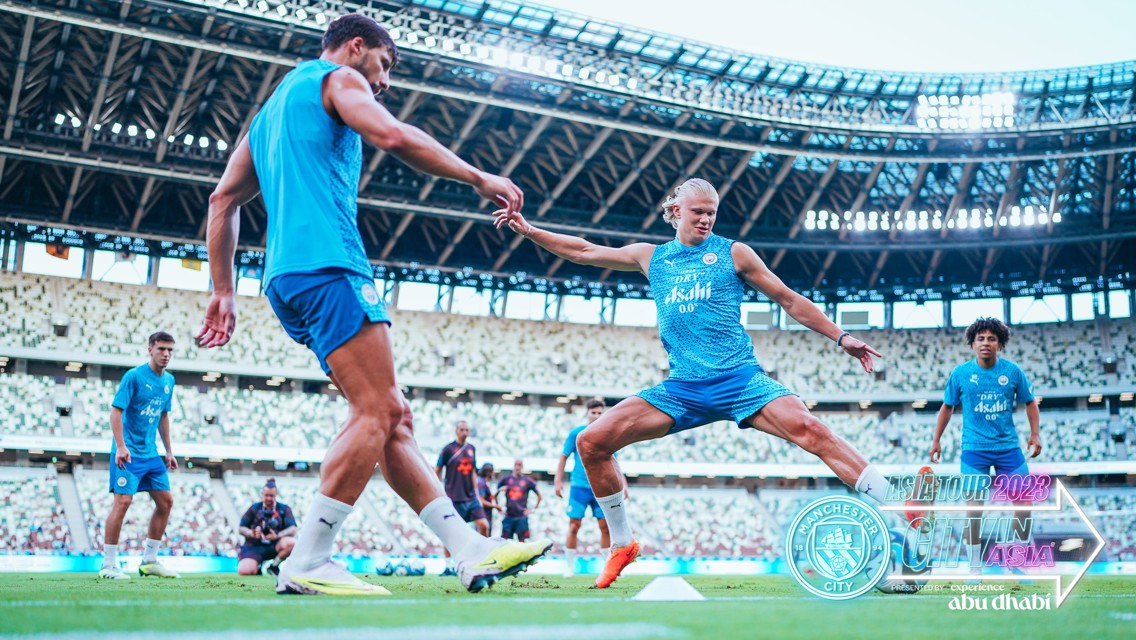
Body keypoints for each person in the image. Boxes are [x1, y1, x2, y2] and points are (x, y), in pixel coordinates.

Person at [199, 13, 550, 596]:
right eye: (384, 65)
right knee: (378, 413)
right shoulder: (337, 80)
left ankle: (469, 548)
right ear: (356, 47)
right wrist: (476, 176)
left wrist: (223, 288)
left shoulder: (267, 116)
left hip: (288, 278)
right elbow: (391, 134)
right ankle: (308, 557)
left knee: (393, 417)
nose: (383, 81)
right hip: (331, 265)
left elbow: (222, 199)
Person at [496, 178, 889, 588]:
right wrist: (530, 230)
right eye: (698, 211)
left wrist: (841, 337)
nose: (705, 219)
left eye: (711, 213)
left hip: (740, 379)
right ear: (676, 211)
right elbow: (583, 251)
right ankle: (622, 544)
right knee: (591, 442)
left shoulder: (732, 252)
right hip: (682, 388)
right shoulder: (652, 257)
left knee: (812, 429)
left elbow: (788, 298)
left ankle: (900, 503)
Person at [930, 317, 1041, 569]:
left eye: (992, 338)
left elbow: (1030, 402)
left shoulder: (1013, 372)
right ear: (972, 344)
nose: (986, 343)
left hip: (1008, 450)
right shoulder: (961, 374)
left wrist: (1035, 434)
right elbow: (947, 407)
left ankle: (1017, 564)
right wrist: (936, 440)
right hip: (974, 451)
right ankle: (974, 567)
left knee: (1024, 506)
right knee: (974, 510)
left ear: (1000, 344)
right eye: (980, 339)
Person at [98, 331, 180, 580]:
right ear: (150, 349)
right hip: (128, 453)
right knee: (122, 503)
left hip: (151, 453)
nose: (166, 354)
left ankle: (149, 561)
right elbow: (115, 412)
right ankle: (108, 565)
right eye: (161, 349)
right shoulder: (133, 377)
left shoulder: (169, 381)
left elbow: (163, 416)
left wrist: (168, 450)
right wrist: (121, 446)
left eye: (170, 350)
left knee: (166, 502)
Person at [554, 399, 623, 577]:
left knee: (605, 527)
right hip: (579, 486)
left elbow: (614, 462)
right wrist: (558, 480)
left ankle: (606, 566)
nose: (597, 416)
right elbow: (563, 456)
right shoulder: (577, 434)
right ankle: (569, 566)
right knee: (574, 526)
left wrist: (623, 484)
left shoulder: (608, 435)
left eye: (600, 413)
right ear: (587, 413)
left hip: (600, 487)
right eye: (593, 412)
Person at [435, 420, 490, 575]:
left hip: (471, 498)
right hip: (453, 497)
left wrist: (477, 493)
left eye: (467, 430)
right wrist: (436, 489)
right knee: (449, 533)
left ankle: (482, 559)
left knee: (484, 525)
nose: (464, 432)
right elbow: (437, 470)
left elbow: (473, 471)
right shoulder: (448, 449)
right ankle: (448, 565)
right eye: (462, 429)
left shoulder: (472, 449)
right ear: (456, 431)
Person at [237, 478, 298, 576]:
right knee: (244, 571)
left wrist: (277, 535)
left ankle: (274, 566)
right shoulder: (254, 508)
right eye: (266, 495)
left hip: (274, 545)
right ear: (262, 494)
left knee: (292, 543)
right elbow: (241, 528)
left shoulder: (284, 509)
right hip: (255, 546)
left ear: (276, 495)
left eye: (271, 496)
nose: (269, 498)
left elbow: (293, 529)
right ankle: (257, 566)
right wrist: (251, 533)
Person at [495, 458, 541, 541]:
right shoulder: (506, 479)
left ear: (522, 467)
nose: (517, 467)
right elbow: (495, 494)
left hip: (521, 517)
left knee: (522, 542)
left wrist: (533, 509)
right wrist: (499, 508)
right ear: (513, 466)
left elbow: (539, 496)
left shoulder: (527, 481)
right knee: (505, 542)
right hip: (509, 516)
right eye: (516, 465)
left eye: (519, 465)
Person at [477, 463, 503, 536]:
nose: (494, 473)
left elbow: (489, 497)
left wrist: (498, 492)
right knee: (483, 540)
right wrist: (495, 506)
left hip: (487, 516)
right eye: (492, 471)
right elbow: (481, 501)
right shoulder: (481, 483)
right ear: (488, 472)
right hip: (483, 516)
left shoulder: (485, 482)